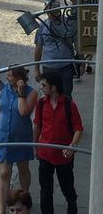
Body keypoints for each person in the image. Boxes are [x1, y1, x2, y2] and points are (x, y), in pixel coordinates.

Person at [0, 68, 38, 214]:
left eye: (9, 76)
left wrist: (21, 92)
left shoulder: (32, 93)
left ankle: (24, 199)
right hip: (3, 138)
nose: (6, 78)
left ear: (19, 77)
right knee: (4, 173)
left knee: (23, 169)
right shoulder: (2, 91)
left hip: (21, 139)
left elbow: (23, 111)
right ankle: (2, 209)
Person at [33, 72, 83, 214]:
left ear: (53, 87)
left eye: (44, 85)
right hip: (45, 154)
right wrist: (35, 146)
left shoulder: (69, 105)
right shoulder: (41, 103)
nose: (41, 87)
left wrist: (71, 146)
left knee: (67, 188)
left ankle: (72, 208)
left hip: (64, 156)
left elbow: (78, 128)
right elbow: (37, 125)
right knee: (45, 192)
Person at [34, 0, 77, 97]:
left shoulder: (69, 24)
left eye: (52, 11)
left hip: (66, 66)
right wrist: (36, 69)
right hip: (48, 68)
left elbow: (77, 43)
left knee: (66, 96)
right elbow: (38, 47)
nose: (50, 14)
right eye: (48, 12)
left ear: (58, 11)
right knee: (48, 96)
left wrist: (82, 62)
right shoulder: (42, 26)